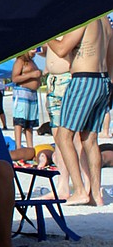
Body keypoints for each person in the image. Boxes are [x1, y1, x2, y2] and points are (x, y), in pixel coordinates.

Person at [48, 18, 113, 206]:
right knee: (90, 139)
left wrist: (43, 36)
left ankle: (79, 190)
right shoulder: (106, 22)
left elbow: (61, 49)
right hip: (102, 81)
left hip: (84, 80)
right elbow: (110, 57)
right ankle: (96, 195)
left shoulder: (82, 19)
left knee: (63, 136)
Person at [10, 52, 41, 157]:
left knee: (30, 121)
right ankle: (18, 146)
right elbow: (14, 78)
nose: (35, 51)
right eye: (33, 49)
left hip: (32, 95)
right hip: (22, 93)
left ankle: (29, 146)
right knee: (20, 120)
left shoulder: (32, 62)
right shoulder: (20, 61)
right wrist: (32, 74)